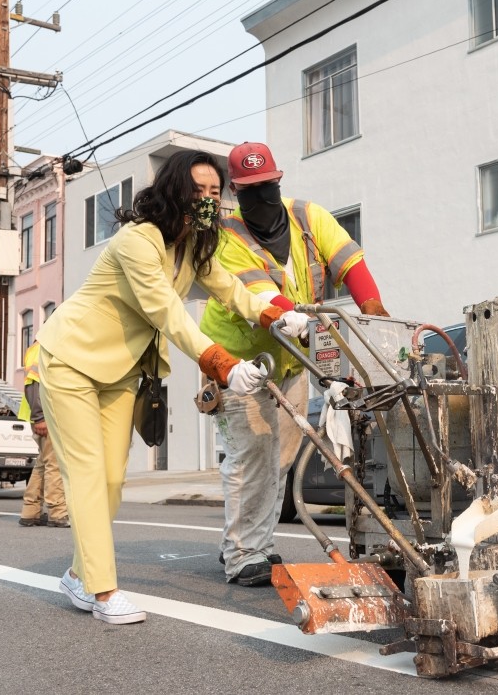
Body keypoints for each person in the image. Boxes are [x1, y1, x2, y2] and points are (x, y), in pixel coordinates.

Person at [37, 149, 306, 624]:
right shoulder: (137, 241)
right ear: (172, 192)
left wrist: (277, 313)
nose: (206, 200)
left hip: (123, 370)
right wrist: (223, 364)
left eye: (213, 193)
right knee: (86, 474)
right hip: (71, 360)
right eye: (196, 191)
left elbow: (233, 290)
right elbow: (167, 311)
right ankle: (102, 592)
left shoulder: (195, 248)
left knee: (112, 480)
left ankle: (79, 575)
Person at [202, 141, 390, 587]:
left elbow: (349, 263)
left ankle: (254, 543)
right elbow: (264, 299)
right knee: (251, 456)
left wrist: (374, 315)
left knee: (281, 457)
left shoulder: (308, 216)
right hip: (237, 360)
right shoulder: (225, 235)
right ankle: (244, 552)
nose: (261, 196)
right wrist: (318, 335)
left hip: (289, 362)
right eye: (250, 189)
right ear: (236, 191)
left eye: (267, 186)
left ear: (278, 181)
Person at [19, 340, 68, 528]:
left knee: (43, 464)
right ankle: (57, 512)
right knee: (54, 464)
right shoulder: (44, 347)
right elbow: (33, 383)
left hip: (43, 416)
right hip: (46, 417)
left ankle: (30, 511)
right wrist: (39, 417)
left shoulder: (39, 347)